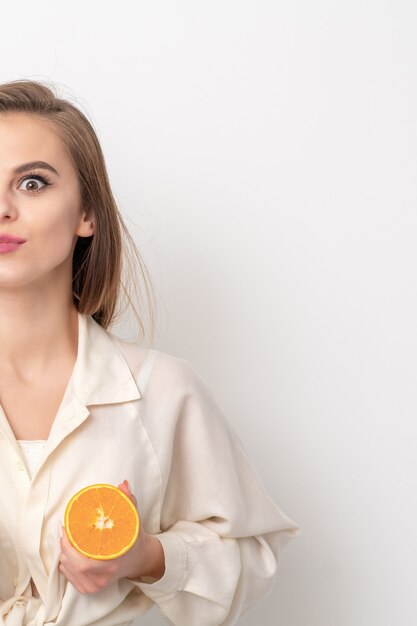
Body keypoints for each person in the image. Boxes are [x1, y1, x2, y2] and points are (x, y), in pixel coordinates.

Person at [0, 79, 300, 626]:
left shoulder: (162, 390)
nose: (2, 209)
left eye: (33, 183)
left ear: (86, 213)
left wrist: (145, 557)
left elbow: (252, 557)